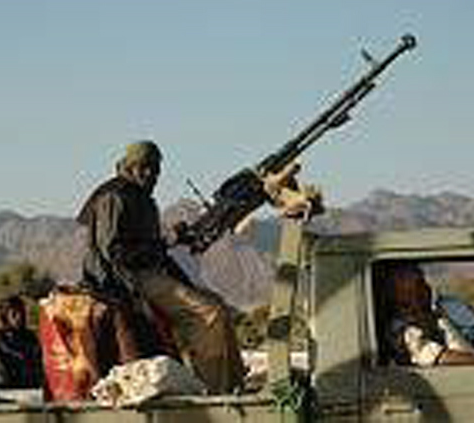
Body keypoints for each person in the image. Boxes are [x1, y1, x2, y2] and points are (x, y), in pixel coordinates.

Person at [77, 140, 317, 394]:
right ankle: (213, 392)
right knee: (208, 315)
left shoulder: (139, 197)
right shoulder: (115, 196)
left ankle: (234, 384)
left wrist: (178, 259)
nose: (151, 175)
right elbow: (114, 252)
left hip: (145, 271)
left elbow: (153, 252)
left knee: (217, 305)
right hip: (124, 279)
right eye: (144, 168)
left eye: (156, 169)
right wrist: (167, 241)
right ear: (128, 167)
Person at [385, 262, 474, 367]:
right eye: (416, 287)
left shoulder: (440, 312)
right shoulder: (401, 329)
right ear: (400, 295)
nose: (425, 290)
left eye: (423, 284)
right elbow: (437, 356)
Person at [0, 295, 44, 388]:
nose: (19, 317)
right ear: (5, 316)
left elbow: (39, 366)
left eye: (21, 313)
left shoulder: (31, 337)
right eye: (14, 314)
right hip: (10, 391)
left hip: (34, 389)